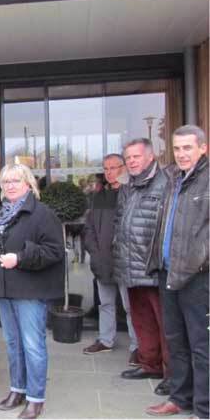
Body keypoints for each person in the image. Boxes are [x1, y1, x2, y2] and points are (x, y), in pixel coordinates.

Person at [0, 163, 64, 419]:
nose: (10, 186)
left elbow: (54, 251)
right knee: (13, 343)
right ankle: (17, 389)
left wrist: (20, 258)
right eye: (6, 182)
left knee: (32, 345)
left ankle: (35, 398)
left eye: (16, 181)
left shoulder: (42, 213)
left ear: (28, 184)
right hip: (6, 290)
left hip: (30, 290)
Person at [146, 125, 209, 419]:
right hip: (168, 272)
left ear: (203, 148)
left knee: (201, 345)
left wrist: (201, 260)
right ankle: (180, 398)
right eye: (177, 148)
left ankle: (204, 408)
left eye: (188, 148)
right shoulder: (172, 179)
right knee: (176, 341)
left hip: (198, 277)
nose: (181, 154)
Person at [112, 138, 170, 396]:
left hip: (154, 267)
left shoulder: (166, 183)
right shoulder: (126, 188)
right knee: (142, 320)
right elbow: (120, 223)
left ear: (150, 157)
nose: (132, 162)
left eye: (136, 157)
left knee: (166, 324)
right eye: (129, 158)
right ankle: (149, 364)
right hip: (130, 266)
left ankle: (172, 373)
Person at [82, 154, 139, 365]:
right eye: (106, 168)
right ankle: (106, 340)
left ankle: (138, 347)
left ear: (123, 168)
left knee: (131, 307)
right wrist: (94, 252)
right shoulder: (98, 196)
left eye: (114, 167)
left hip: (126, 260)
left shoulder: (132, 193)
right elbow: (88, 229)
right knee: (105, 303)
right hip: (102, 259)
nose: (109, 172)